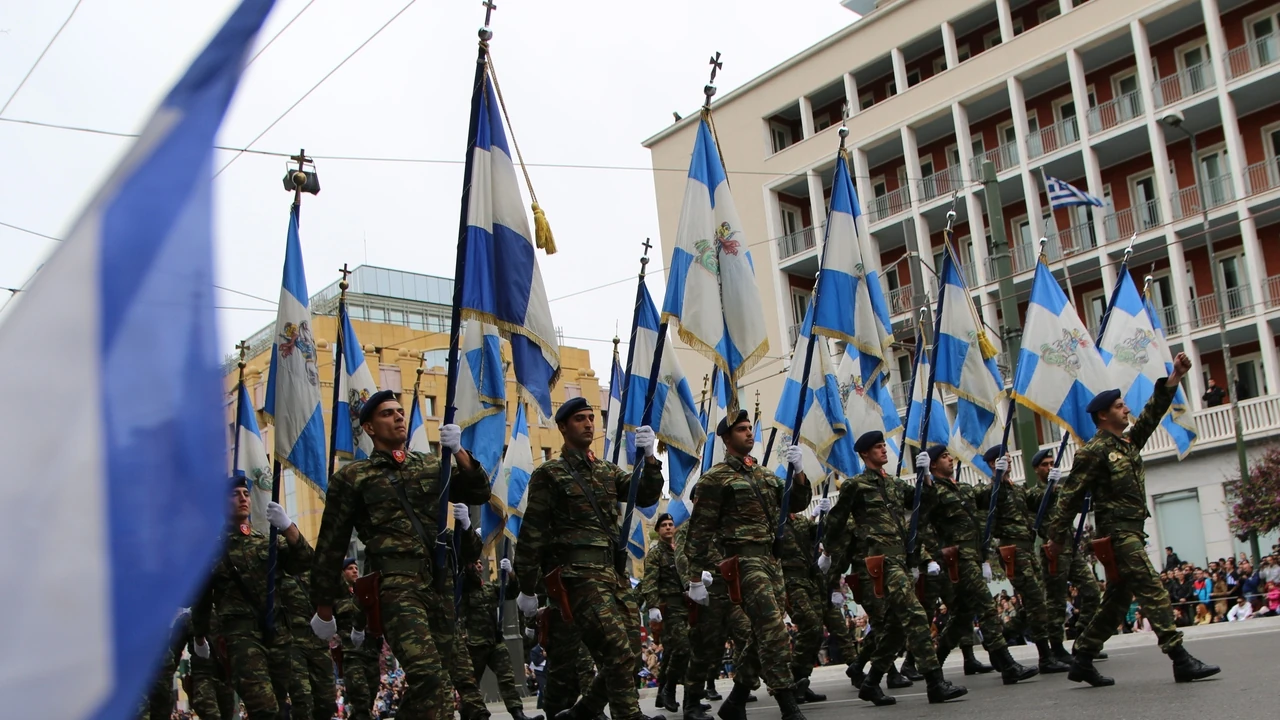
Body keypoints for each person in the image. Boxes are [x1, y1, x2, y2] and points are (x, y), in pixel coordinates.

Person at [308, 389, 491, 719]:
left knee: (437, 681)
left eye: (399, 411)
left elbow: (479, 491)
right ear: (369, 428)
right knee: (428, 675)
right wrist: (324, 606)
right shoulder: (353, 477)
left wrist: (458, 451)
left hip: (438, 582)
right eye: (387, 414)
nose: (398, 417)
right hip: (396, 586)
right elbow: (331, 544)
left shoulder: (432, 465)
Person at [1047, 353, 1219, 686]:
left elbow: (1152, 417)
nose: (1126, 409)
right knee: (1153, 590)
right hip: (1118, 536)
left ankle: (1082, 658)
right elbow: (1069, 497)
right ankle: (1180, 659)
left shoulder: (1126, 444)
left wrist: (1175, 379)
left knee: (1116, 603)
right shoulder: (1093, 451)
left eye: (1125, 405)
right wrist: (1056, 538)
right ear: (1103, 414)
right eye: (1120, 406)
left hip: (1133, 533)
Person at [514, 397, 666, 720]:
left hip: (613, 573)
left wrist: (650, 457)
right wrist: (527, 587)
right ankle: (629, 715)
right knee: (615, 649)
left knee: (632, 655)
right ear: (563, 427)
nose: (588, 423)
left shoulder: (606, 471)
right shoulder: (550, 474)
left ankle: (583, 712)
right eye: (580, 419)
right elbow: (532, 533)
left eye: (590, 417)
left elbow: (647, 494)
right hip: (578, 577)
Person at [682, 410, 815, 720]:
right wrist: (695, 580)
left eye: (749, 428)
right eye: (741, 430)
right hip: (743, 561)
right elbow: (698, 533)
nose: (748, 433)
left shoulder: (765, 474)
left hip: (771, 560)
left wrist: (798, 472)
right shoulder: (715, 479)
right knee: (773, 628)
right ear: (727, 439)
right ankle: (787, 703)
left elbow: (795, 504)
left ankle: (737, 700)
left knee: (760, 633)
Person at [824, 433, 967, 705]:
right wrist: (829, 553)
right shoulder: (856, 486)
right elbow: (836, 520)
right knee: (914, 614)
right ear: (865, 454)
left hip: (902, 559)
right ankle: (935, 682)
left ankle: (871, 682)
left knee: (894, 628)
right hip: (880, 561)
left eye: (883, 446)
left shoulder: (894, 484)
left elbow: (923, 506)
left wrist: (925, 477)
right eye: (878, 448)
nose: (883, 450)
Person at [193, 480, 313, 720]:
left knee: (278, 705)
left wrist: (289, 527)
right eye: (235, 494)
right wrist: (199, 636)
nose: (243, 498)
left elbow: (305, 561)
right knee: (264, 708)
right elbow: (202, 599)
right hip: (242, 637)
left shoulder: (267, 540)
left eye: (246, 493)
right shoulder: (211, 551)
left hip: (278, 633)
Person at [919, 445, 1037, 686]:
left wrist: (999, 477)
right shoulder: (933, 492)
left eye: (949, 455)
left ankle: (936, 660)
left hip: (973, 556)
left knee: (962, 615)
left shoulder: (962, 488)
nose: (950, 459)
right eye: (943, 457)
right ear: (932, 465)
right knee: (986, 606)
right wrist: (925, 478)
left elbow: (989, 500)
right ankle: (1006, 663)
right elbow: (919, 520)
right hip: (956, 559)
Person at [977, 446, 1070, 674]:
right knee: (1036, 601)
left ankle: (1002, 637)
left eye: (1009, 457)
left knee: (1036, 603)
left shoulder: (1016, 489)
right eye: (1003, 459)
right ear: (992, 464)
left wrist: (1052, 485)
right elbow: (983, 501)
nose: (1008, 460)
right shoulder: (992, 490)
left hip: (1027, 549)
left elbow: (1036, 500)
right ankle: (1045, 657)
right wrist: (997, 479)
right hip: (1013, 549)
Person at [1026, 448, 1105, 664]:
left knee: (1091, 592)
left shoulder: (1060, 490)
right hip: (1053, 550)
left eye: (1052, 463)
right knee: (1056, 601)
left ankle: (1083, 641)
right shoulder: (1035, 493)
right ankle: (1057, 647)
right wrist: (1050, 488)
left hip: (1071, 549)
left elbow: (1079, 504)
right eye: (1045, 465)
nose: (1050, 467)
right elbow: (1035, 503)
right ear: (1036, 469)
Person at [461, 555, 544, 720]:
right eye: (474, 563)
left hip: (495, 642)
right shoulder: (463, 590)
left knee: (507, 678)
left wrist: (511, 574)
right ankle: (467, 715)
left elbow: (511, 592)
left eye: (480, 563)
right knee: (470, 684)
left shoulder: (490, 588)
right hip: (474, 645)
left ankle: (518, 713)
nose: (479, 566)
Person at [639, 513, 697, 718]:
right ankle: (670, 689)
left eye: (671, 524)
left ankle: (665, 695)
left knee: (673, 652)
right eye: (664, 525)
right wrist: (653, 606)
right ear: (658, 530)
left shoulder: (681, 551)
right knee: (682, 649)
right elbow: (650, 581)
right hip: (669, 608)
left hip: (687, 605)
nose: (668, 528)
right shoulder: (656, 554)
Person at [777, 497, 829, 704]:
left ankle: (801, 679)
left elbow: (817, 533)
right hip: (790, 581)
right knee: (810, 625)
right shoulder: (775, 522)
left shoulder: (799, 521)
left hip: (809, 578)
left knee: (816, 632)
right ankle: (794, 680)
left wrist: (825, 517)